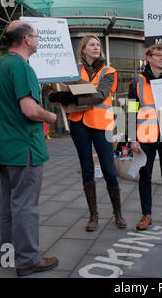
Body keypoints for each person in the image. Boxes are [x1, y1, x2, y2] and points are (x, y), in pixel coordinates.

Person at [0, 20, 59, 276]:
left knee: (8, 202)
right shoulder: (22, 67)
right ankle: (28, 259)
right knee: (26, 204)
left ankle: (7, 256)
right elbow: (29, 110)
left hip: (2, 148)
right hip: (22, 147)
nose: (38, 40)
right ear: (27, 39)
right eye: (36, 36)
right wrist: (49, 116)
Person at [48, 35, 126, 231]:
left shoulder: (109, 71)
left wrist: (69, 97)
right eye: (92, 44)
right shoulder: (73, 70)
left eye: (98, 44)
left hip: (101, 124)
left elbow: (100, 96)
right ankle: (93, 216)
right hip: (78, 123)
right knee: (87, 168)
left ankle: (118, 214)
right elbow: (56, 87)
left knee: (109, 169)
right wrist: (55, 95)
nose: (96, 47)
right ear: (83, 49)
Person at [128, 44, 162, 232]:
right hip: (145, 137)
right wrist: (131, 137)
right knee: (145, 176)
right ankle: (147, 215)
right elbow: (131, 111)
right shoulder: (136, 83)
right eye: (158, 55)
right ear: (148, 58)